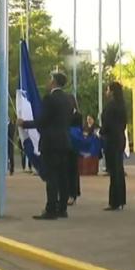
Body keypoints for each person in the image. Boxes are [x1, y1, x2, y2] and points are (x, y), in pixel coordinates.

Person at [18, 73, 74, 220]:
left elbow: (42, 121)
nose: (48, 82)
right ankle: (62, 209)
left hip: (51, 143)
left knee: (52, 177)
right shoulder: (69, 100)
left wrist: (24, 123)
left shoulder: (50, 99)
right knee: (63, 177)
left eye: (50, 79)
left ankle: (51, 209)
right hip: (65, 142)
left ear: (54, 82)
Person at [102, 82, 128, 211]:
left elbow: (106, 124)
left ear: (111, 91)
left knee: (113, 171)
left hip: (111, 139)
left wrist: (101, 132)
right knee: (119, 170)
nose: (106, 92)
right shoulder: (121, 105)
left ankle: (114, 201)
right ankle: (120, 199)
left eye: (107, 90)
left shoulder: (111, 106)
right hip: (119, 138)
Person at [67, 112, 84, 205]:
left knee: (71, 171)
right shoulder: (76, 115)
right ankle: (72, 193)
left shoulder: (76, 115)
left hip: (71, 144)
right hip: (71, 145)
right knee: (72, 171)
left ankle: (72, 194)